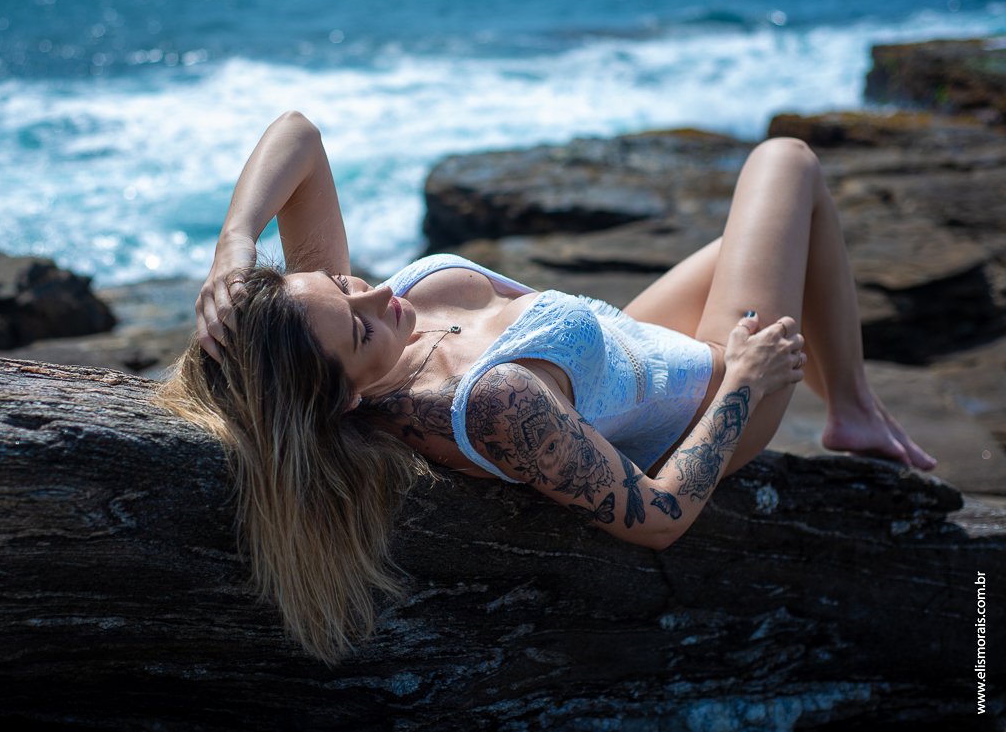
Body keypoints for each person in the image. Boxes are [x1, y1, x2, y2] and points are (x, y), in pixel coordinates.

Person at [155, 110, 934, 664]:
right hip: (712, 388)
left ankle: (853, 408)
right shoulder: (494, 404)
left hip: (629, 347)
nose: (376, 293)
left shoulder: (334, 333)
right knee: (787, 164)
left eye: (340, 282)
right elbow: (658, 517)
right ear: (348, 399)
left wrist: (235, 244)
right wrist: (747, 382)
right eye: (360, 326)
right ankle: (852, 406)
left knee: (769, 225)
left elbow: (299, 135)